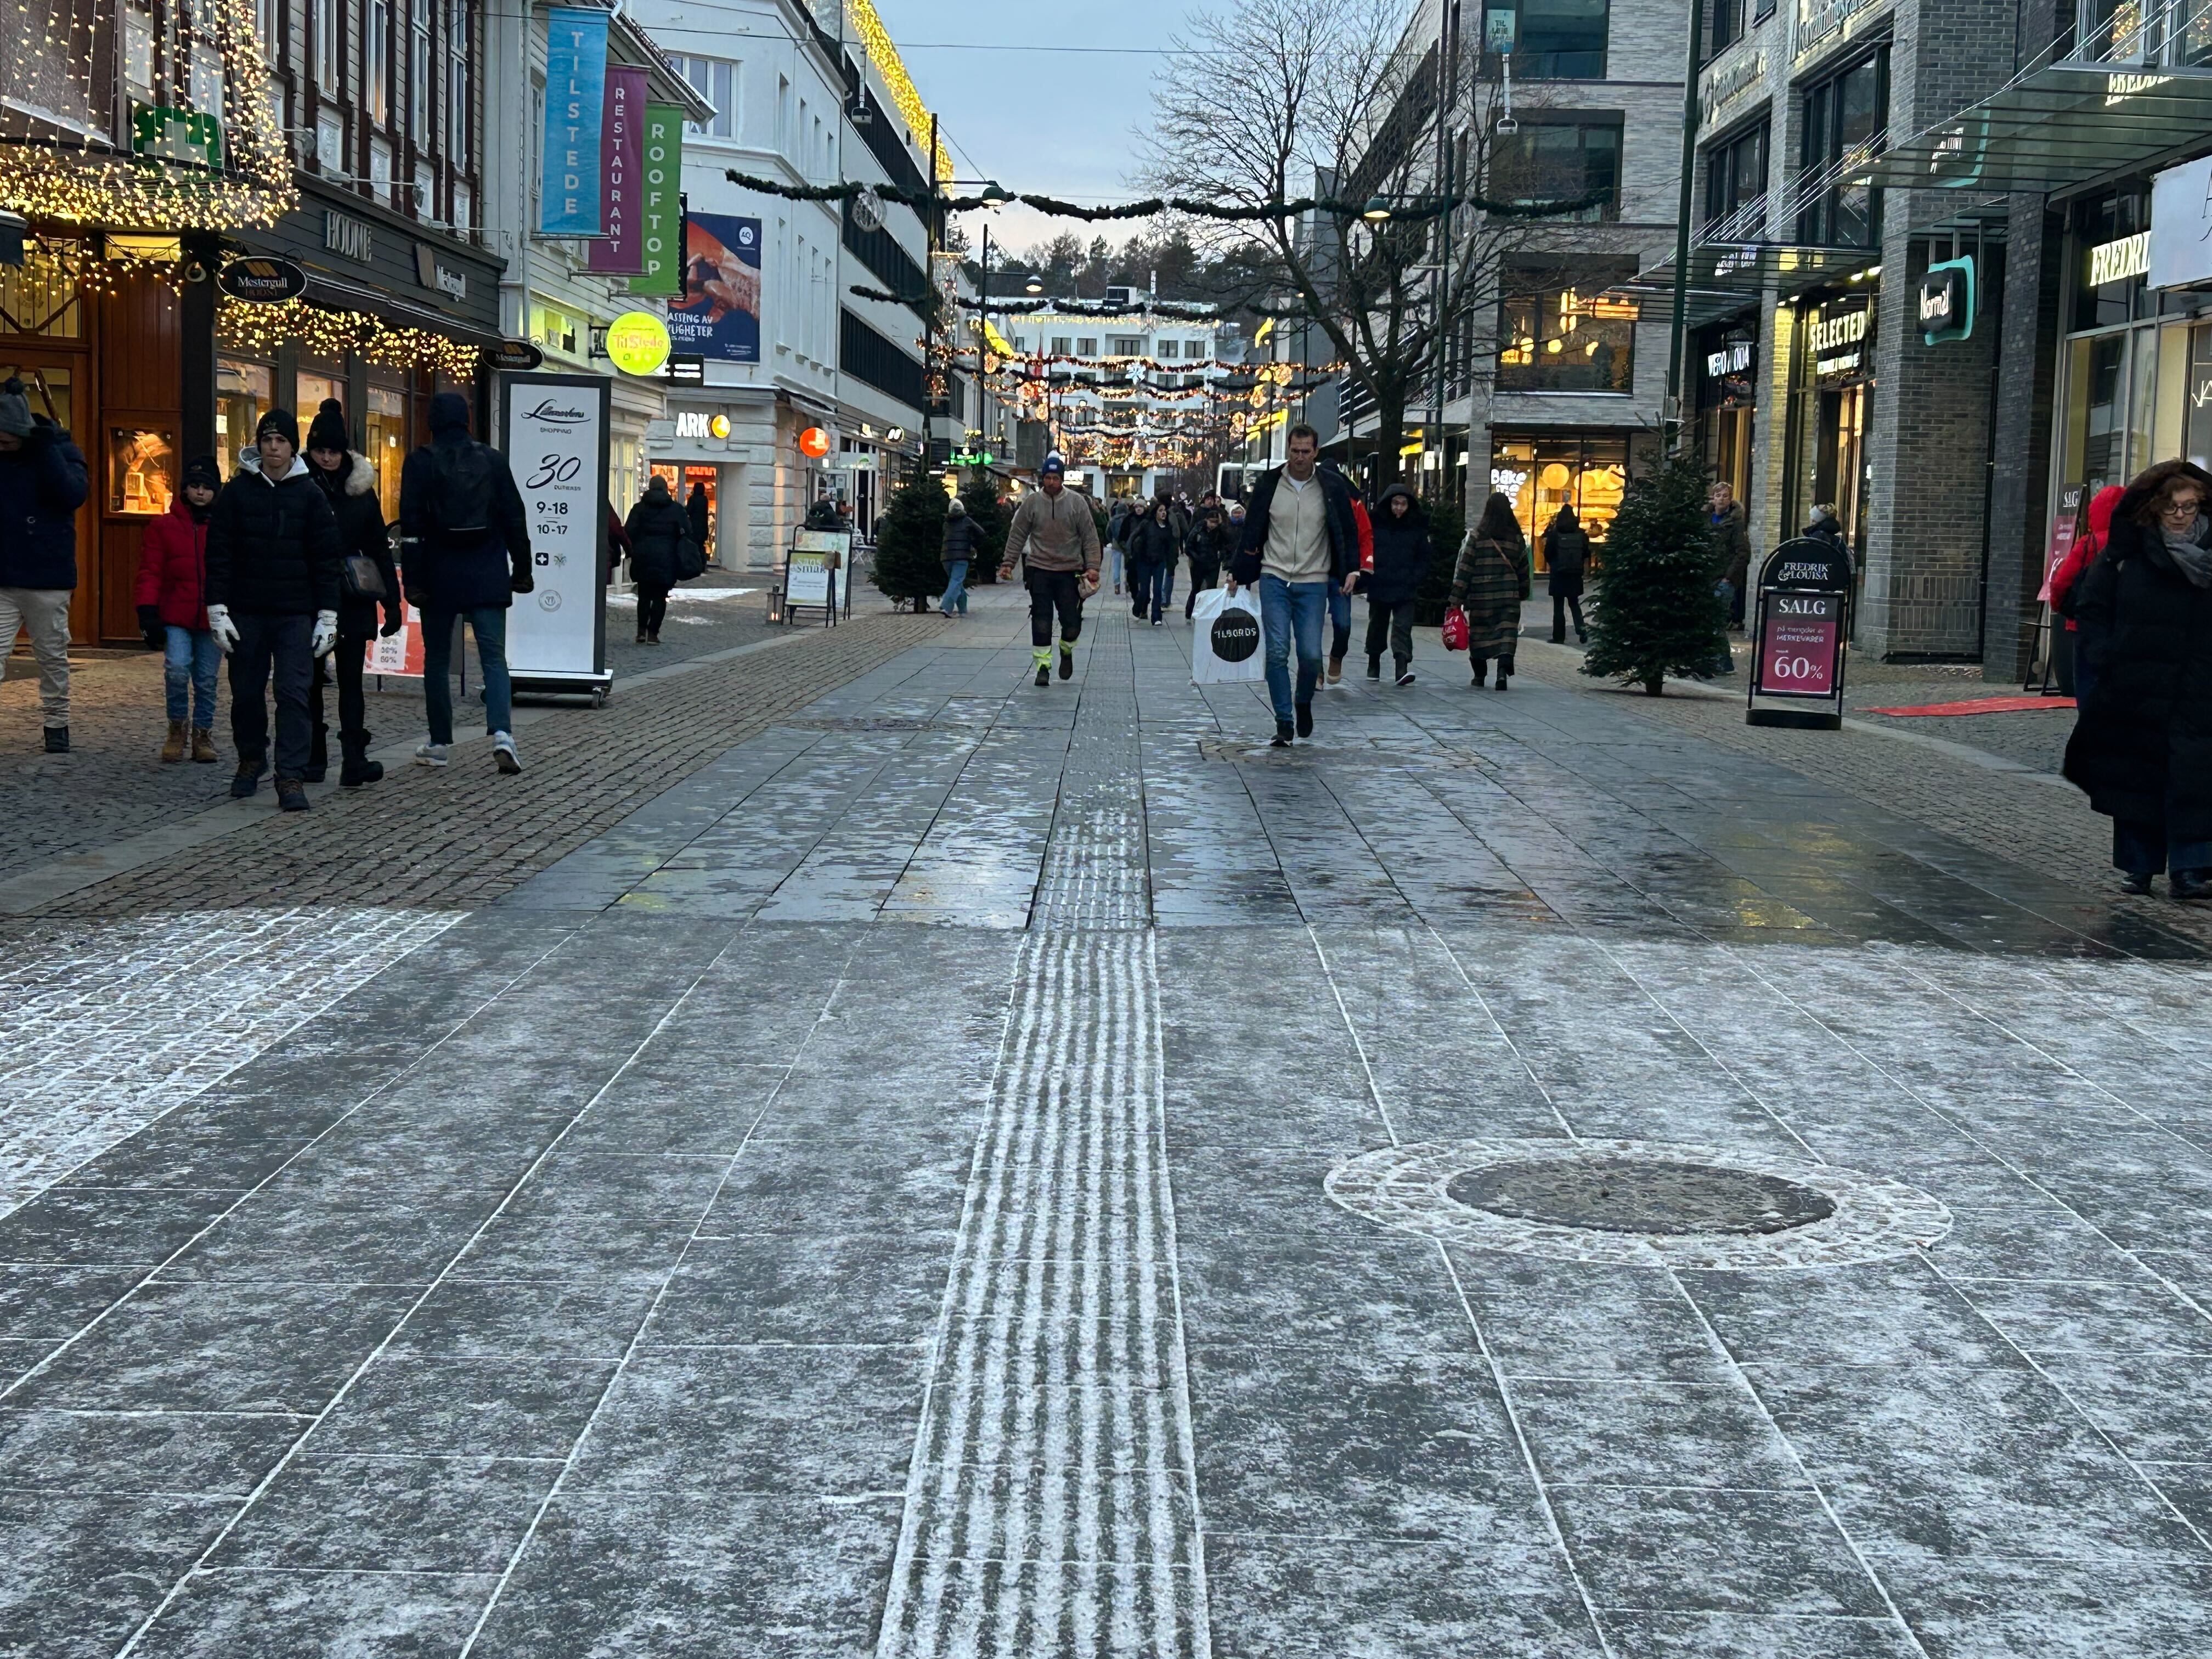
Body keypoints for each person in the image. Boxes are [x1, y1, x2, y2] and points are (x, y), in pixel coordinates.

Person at [2065, 460, 2212, 899]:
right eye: (2172, 508)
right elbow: (2090, 607)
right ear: (2154, 509)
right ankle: (2139, 866)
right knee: (2137, 776)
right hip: (2136, 684)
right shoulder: (2126, 555)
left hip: (2198, 684)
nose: (2181, 515)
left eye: (2189, 506)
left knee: (2195, 775)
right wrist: (2107, 658)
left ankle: (2192, 868)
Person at [204, 409, 342, 811]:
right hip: (246, 610)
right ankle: (251, 758)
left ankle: (291, 775)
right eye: (268, 440)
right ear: (259, 444)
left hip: (295, 613)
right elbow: (219, 555)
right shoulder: (237, 493)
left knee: (294, 693)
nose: (274, 448)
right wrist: (217, 608)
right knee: (246, 694)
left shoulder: (310, 495)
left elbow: (325, 561)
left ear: (292, 447)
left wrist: (328, 616)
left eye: (281, 441)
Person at [399, 390, 532, 773]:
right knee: (494, 657)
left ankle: (440, 742)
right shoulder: (492, 460)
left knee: (438, 661)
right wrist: (522, 570)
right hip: (487, 568)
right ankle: (503, 734)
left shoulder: (419, 462)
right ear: (467, 421)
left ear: (433, 422)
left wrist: (413, 580)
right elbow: (515, 518)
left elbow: (411, 526)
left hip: (439, 571)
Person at [1227, 424, 1362, 746]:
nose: (1299, 457)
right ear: (1287, 451)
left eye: (1306, 451)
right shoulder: (1270, 483)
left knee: (1311, 655)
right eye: (1294, 451)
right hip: (1274, 578)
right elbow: (1253, 530)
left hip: (1314, 581)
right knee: (1276, 651)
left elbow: (1347, 530)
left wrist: (1352, 569)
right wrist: (1238, 571)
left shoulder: (1331, 485)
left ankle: (1303, 701)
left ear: (1316, 452)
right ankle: (1284, 721)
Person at [302, 400, 403, 788]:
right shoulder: (298, 484)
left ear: (344, 451)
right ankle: (314, 756)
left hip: (352, 595)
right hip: (309, 595)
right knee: (309, 681)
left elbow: (378, 545)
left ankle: (353, 759)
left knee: (350, 682)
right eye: (319, 450)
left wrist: (391, 601)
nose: (326, 457)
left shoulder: (360, 489)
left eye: (333, 450)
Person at [0, 376, 89, 754]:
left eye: (6, 441)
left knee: (52, 655)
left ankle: (57, 723)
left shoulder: (60, 450)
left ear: (23, 433)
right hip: (4, 574)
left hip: (47, 576)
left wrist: (46, 450)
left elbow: (72, 494)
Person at [134, 454, 223, 763]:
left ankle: (203, 733)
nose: (200, 492)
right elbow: (150, 571)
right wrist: (147, 611)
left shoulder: (224, 527)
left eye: (206, 487)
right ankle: (177, 728)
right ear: (185, 489)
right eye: (194, 486)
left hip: (213, 615)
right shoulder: (164, 527)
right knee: (176, 669)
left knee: (206, 679)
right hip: (176, 613)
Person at [998, 452, 1101, 686]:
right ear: (1042, 479)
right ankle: (1043, 666)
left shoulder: (1076, 503)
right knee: (1042, 620)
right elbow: (1017, 535)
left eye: (1056, 478)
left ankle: (1066, 650)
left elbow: (1090, 538)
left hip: (1069, 571)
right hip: (1040, 569)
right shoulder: (1032, 504)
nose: (1052, 482)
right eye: (1048, 478)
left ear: (1062, 479)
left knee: (1072, 622)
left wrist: (1093, 566)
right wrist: (1008, 563)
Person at [2050, 486, 2124, 704]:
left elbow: (2063, 581)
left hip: (2085, 623)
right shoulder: (2134, 543)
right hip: (2121, 623)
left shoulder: (2088, 544)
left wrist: (2061, 607)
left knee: (2086, 679)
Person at [1449, 493, 1530, 691]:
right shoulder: (1516, 539)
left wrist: (1455, 599)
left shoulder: (1477, 537)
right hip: (1508, 597)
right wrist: (1523, 592)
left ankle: (1479, 675)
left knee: (1479, 635)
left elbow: (1465, 569)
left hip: (1481, 597)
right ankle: (1502, 673)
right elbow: (1524, 569)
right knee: (1506, 635)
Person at [1364, 482, 1430, 687]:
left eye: (1403, 504)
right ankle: (1373, 662)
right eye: (1395, 503)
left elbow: (1424, 557)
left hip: (1405, 586)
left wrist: (1415, 578)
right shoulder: (1376, 524)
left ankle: (1401, 666)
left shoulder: (1417, 527)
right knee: (1377, 626)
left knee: (1403, 627)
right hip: (1380, 585)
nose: (1399, 508)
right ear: (1388, 504)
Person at [623, 475, 689, 645]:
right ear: (666, 488)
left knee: (644, 595)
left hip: (643, 556)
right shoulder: (676, 509)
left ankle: (641, 632)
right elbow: (687, 532)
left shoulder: (639, 509)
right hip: (666, 558)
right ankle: (653, 633)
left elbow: (629, 530)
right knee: (660, 596)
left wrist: (636, 547)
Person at [1124, 496, 1174, 626]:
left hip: (1159, 562)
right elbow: (1133, 536)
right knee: (1144, 591)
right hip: (1144, 561)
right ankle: (1137, 609)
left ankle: (1157, 617)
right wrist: (1129, 552)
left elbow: (1170, 547)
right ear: (1155, 512)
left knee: (1157, 590)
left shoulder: (1168, 527)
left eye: (1165, 511)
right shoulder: (1147, 524)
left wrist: (1171, 563)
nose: (1164, 513)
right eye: (1161, 511)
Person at [1710, 481, 1753, 634]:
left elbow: (1743, 553)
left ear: (1730, 500)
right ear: (1713, 498)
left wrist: (1729, 578)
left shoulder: (1736, 523)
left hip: (1723, 580)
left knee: (1717, 625)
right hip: (1706, 578)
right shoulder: (1705, 520)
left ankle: (1721, 658)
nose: (1721, 499)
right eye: (1718, 495)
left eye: (1725, 496)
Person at [1545, 505, 1590, 645]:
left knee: (1558, 607)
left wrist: (1554, 564)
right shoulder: (1581, 534)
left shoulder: (1555, 534)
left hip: (1558, 574)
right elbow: (1587, 553)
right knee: (1574, 604)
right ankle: (1581, 629)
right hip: (1574, 575)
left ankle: (1559, 637)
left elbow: (1548, 553)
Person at [1184, 496, 1233, 618]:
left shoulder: (1220, 531)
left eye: (1216, 522)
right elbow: (1189, 547)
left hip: (1213, 564)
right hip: (1198, 564)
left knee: (1211, 589)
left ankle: (1208, 614)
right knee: (1196, 589)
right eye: (1211, 522)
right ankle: (1190, 613)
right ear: (1206, 520)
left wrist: (1220, 557)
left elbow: (1228, 542)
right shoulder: (1198, 529)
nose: (1213, 525)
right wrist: (1196, 558)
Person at [939, 495, 979, 617]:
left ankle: (963, 610)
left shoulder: (946, 523)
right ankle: (946, 607)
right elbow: (981, 532)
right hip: (961, 556)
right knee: (956, 581)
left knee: (957, 582)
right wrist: (972, 541)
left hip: (946, 557)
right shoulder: (967, 520)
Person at [1106, 498, 1132, 595]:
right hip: (1127, 544)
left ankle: (1117, 586)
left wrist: (1112, 541)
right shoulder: (1129, 519)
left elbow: (1108, 533)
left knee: (1116, 566)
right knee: (1127, 566)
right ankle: (1128, 583)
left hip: (1116, 545)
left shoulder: (1113, 521)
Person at [686, 481, 712, 565]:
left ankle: (695, 564)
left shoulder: (693, 499)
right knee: (701, 546)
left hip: (694, 526)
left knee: (694, 546)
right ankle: (703, 564)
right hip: (703, 526)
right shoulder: (705, 499)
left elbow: (689, 511)